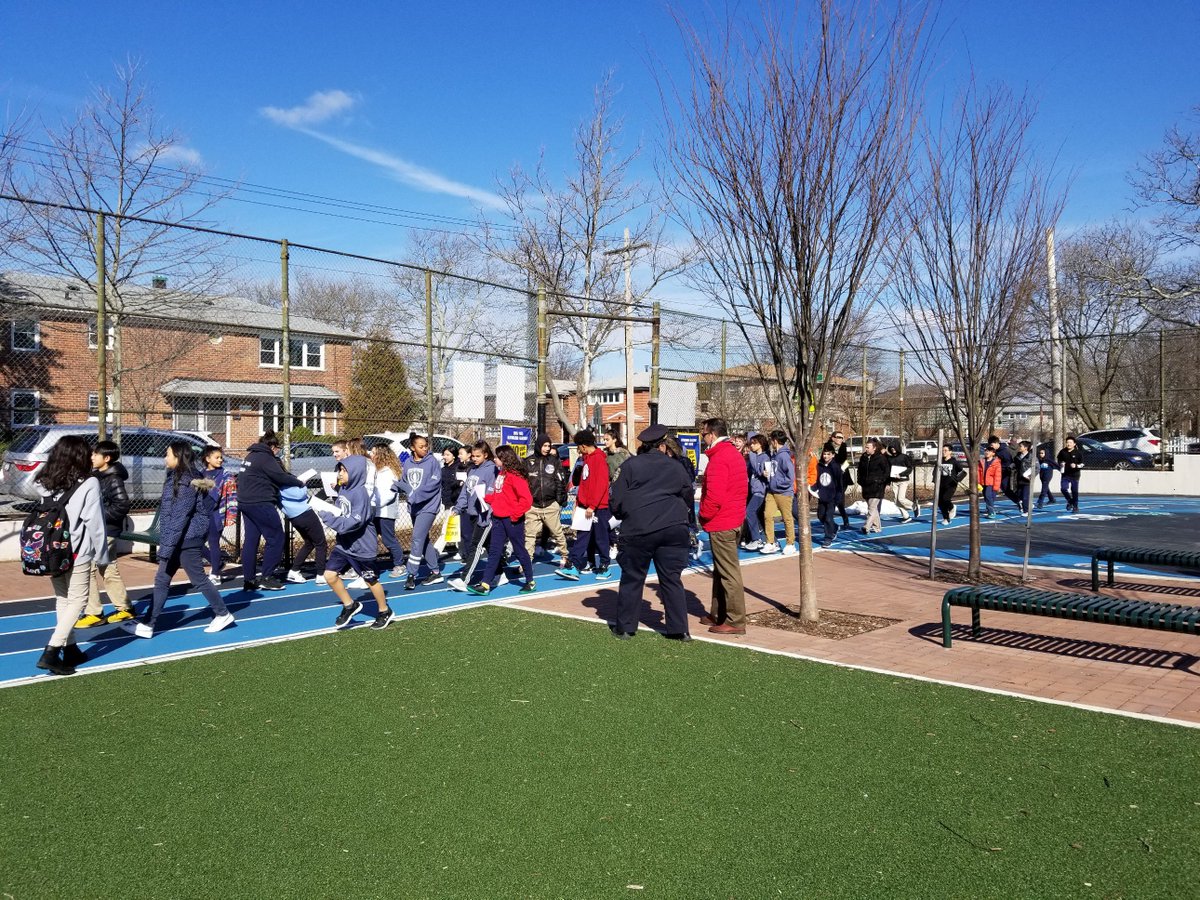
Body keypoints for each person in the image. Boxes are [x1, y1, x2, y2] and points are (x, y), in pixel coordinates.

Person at [122, 442, 235, 639]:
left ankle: (223, 613)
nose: (165, 458)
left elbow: (180, 516)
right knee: (162, 579)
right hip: (178, 538)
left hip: (187, 538)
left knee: (198, 579)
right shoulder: (177, 477)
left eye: (168, 454)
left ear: (177, 456)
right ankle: (149, 623)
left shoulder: (186, 482)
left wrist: (167, 546)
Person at [608, 424, 696, 641]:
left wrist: (624, 513)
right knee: (672, 579)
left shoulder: (630, 466)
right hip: (673, 527)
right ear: (664, 445)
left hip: (639, 528)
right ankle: (679, 630)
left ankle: (627, 627)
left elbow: (616, 500)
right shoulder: (676, 467)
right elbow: (687, 495)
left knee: (633, 577)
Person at [32, 435, 110, 676]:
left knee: (63, 599)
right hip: (78, 550)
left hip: (51, 550)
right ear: (78, 456)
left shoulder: (44, 481)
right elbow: (94, 523)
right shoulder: (89, 483)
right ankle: (52, 651)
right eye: (86, 452)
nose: (90, 456)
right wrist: (103, 555)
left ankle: (71, 647)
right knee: (78, 600)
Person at [318, 455, 395, 630]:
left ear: (356, 473)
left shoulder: (360, 495)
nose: (340, 474)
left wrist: (328, 518)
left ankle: (384, 611)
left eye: (344, 471)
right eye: (340, 470)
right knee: (329, 575)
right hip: (344, 545)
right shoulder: (343, 489)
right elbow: (341, 511)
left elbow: (353, 522)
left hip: (362, 548)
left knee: (370, 580)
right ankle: (349, 605)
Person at [75, 440, 134, 628]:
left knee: (90, 567)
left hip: (106, 530)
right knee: (107, 568)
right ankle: (124, 608)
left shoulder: (113, 478)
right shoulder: (97, 476)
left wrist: (97, 517)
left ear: (106, 458)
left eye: (95, 455)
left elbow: (122, 505)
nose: (91, 457)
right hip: (99, 529)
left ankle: (94, 612)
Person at [698, 418, 749, 635]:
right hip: (733, 518)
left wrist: (703, 515)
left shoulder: (719, 458)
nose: (702, 438)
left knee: (728, 572)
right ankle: (718, 612)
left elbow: (715, 496)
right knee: (721, 570)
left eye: (703, 434)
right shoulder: (733, 454)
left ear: (712, 434)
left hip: (723, 521)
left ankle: (735, 620)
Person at [468, 446, 536, 595]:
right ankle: (485, 584)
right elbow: (501, 496)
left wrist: (515, 515)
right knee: (494, 551)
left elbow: (526, 499)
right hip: (498, 518)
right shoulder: (501, 474)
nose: (494, 459)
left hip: (512, 520)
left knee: (519, 550)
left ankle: (530, 581)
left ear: (505, 458)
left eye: (497, 457)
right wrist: (486, 498)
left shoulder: (515, 476)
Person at [237, 431, 300, 591]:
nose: (278, 451)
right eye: (277, 448)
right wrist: (299, 482)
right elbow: (281, 476)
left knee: (251, 540)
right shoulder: (266, 458)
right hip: (260, 502)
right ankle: (267, 576)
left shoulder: (251, 456)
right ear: (272, 447)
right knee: (276, 537)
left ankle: (249, 580)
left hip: (245, 501)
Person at [557, 430, 611, 581]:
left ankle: (605, 565)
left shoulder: (599, 459)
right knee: (582, 536)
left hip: (597, 507)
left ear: (583, 445)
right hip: (584, 506)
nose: (578, 450)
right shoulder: (586, 460)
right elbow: (585, 485)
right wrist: (579, 503)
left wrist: (592, 506)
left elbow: (600, 485)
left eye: (578, 446)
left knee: (600, 537)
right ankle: (574, 566)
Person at [395, 433, 444, 590]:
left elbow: (433, 484)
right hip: (414, 506)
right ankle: (435, 571)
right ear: (412, 447)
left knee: (416, 538)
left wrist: (417, 495)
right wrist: (396, 486)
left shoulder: (433, 462)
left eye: (426, 446)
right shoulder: (408, 463)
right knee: (424, 540)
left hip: (428, 507)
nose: (425, 449)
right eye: (421, 446)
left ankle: (411, 574)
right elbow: (405, 481)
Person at [447, 441, 498, 591]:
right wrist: (458, 508)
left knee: (475, 546)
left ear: (486, 455)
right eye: (473, 456)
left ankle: (465, 579)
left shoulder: (491, 470)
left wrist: (488, 512)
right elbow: (465, 492)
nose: (474, 458)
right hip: (473, 513)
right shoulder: (472, 470)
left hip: (485, 516)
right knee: (489, 546)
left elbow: (491, 493)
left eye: (478, 456)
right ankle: (500, 573)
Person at [525, 433, 569, 566]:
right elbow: (524, 483)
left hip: (550, 505)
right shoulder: (528, 461)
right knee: (530, 535)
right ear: (539, 445)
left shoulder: (554, 461)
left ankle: (565, 557)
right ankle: (527, 562)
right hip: (533, 505)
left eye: (548, 446)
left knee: (557, 533)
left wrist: (560, 499)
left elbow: (561, 481)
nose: (546, 449)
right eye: (544, 446)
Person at [201, 446, 237, 586]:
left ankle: (216, 573)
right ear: (207, 459)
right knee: (195, 542)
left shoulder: (226, 474)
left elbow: (232, 495)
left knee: (213, 543)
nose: (220, 460)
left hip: (217, 515)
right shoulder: (201, 474)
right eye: (217, 457)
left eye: (221, 457)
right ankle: (218, 563)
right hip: (202, 514)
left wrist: (231, 515)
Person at [370, 444, 406, 578]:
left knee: (388, 539)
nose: (371, 454)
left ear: (381, 455)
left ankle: (399, 564)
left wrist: (375, 505)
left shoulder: (389, 472)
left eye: (373, 452)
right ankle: (369, 565)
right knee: (370, 539)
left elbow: (388, 494)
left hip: (385, 511)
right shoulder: (376, 470)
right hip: (374, 510)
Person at [282, 484, 328, 585]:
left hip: (293, 516)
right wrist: (302, 484)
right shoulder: (284, 480)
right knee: (321, 544)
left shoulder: (274, 485)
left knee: (309, 543)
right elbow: (300, 493)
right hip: (305, 513)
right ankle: (321, 575)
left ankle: (294, 570)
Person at [760, 430, 796, 554]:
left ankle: (790, 543)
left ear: (775, 441)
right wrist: (768, 475)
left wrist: (778, 483)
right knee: (768, 515)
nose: (770, 443)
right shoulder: (774, 454)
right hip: (772, 491)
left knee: (787, 518)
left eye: (771, 440)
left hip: (784, 492)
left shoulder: (784, 456)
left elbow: (791, 476)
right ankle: (770, 542)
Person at [740, 433, 769, 551]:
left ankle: (757, 539)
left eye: (754, 443)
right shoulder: (755, 456)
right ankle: (772, 541)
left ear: (761, 444)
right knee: (759, 516)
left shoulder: (764, 457)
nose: (751, 446)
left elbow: (760, 471)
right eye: (750, 443)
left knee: (750, 511)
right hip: (753, 490)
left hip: (760, 491)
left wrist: (751, 455)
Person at [811, 447, 844, 547]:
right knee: (821, 516)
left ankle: (828, 538)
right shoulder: (819, 466)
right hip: (822, 496)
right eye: (824, 454)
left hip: (832, 497)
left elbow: (839, 484)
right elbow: (817, 480)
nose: (825, 456)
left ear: (833, 455)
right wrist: (813, 488)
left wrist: (838, 497)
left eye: (828, 454)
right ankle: (834, 527)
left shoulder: (836, 467)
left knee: (828, 518)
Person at [857, 438, 890, 533]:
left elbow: (886, 471)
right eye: (865, 447)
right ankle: (877, 527)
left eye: (868, 447)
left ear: (874, 448)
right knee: (873, 508)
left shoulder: (881, 458)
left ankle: (866, 526)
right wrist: (860, 480)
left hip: (877, 487)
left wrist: (881, 481)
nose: (866, 449)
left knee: (871, 508)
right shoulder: (863, 457)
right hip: (866, 486)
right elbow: (860, 470)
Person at [822, 431, 853, 528]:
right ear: (833, 438)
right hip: (831, 476)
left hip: (842, 477)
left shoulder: (843, 447)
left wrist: (835, 455)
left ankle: (844, 518)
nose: (841, 439)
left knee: (838, 499)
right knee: (832, 499)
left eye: (842, 437)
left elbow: (842, 459)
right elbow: (823, 459)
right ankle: (829, 520)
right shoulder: (827, 447)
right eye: (839, 437)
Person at [885, 442, 918, 522]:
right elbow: (889, 471)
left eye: (894, 448)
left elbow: (909, 468)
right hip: (894, 481)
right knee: (896, 501)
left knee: (901, 498)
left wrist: (901, 474)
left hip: (903, 480)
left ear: (897, 448)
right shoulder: (890, 459)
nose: (893, 450)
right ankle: (906, 516)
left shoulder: (904, 457)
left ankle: (914, 506)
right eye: (891, 448)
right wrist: (888, 483)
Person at [936, 444, 966, 525]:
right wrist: (934, 480)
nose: (943, 452)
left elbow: (963, 472)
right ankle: (946, 518)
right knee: (940, 502)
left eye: (945, 450)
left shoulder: (954, 461)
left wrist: (957, 479)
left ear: (950, 452)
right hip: (941, 484)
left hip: (951, 484)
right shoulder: (940, 460)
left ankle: (952, 507)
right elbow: (935, 471)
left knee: (945, 499)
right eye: (942, 450)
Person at [989, 435, 1021, 509]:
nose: (991, 446)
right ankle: (990, 507)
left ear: (997, 443)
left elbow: (1009, 463)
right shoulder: (994, 451)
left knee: (1006, 490)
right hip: (995, 474)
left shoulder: (1004, 452)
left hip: (1004, 473)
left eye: (992, 445)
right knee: (992, 489)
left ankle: (1019, 501)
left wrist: (1001, 468)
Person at [1057, 436, 1084, 512]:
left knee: (1074, 491)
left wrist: (1076, 466)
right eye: (1067, 442)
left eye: (1070, 442)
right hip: (1065, 474)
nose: (1068, 444)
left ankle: (1075, 506)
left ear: (1074, 444)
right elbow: (1059, 460)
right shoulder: (1062, 452)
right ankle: (1070, 500)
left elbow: (1082, 464)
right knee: (1063, 488)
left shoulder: (1078, 453)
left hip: (1075, 475)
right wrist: (1061, 464)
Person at [978, 445, 1003, 518]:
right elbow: (979, 472)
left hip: (991, 483)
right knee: (986, 497)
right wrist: (978, 482)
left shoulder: (996, 463)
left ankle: (991, 512)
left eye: (989, 451)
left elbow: (998, 475)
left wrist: (996, 486)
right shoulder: (982, 461)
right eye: (986, 451)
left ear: (993, 453)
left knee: (988, 496)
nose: (986, 452)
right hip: (983, 482)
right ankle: (989, 509)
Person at [1012, 440, 1035, 514]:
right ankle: (1027, 505)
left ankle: (1026, 511)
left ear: (1026, 448)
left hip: (1027, 480)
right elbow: (1014, 465)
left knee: (1025, 496)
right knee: (1019, 497)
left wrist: (1030, 476)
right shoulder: (1017, 456)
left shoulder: (1031, 457)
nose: (1019, 447)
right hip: (1018, 479)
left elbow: (1036, 468)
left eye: (1021, 446)